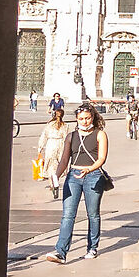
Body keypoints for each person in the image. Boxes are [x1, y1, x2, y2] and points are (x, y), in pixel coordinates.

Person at [54, 101, 110, 262]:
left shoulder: (100, 134)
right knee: (68, 215)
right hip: (73, 175)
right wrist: (56, 176)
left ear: (93, 117)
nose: (84, 121)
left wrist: (90, 169)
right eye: (81, 118)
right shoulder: (71, 136)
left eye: (87, 118)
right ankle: (61, 252)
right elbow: (64, 160)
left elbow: (102, 158)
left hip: (93, 176)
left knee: (92, 214)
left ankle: (92, 248)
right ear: (76, 119)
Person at [34, 97, 70, 198]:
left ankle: (52, 184)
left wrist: (40, 147)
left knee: (50, 166)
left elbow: (44, 136)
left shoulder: (49, 125)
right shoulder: (65, 125)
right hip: (60, 145)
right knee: (59, 165)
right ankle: (56, 181)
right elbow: (66, 138)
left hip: (51, 144)